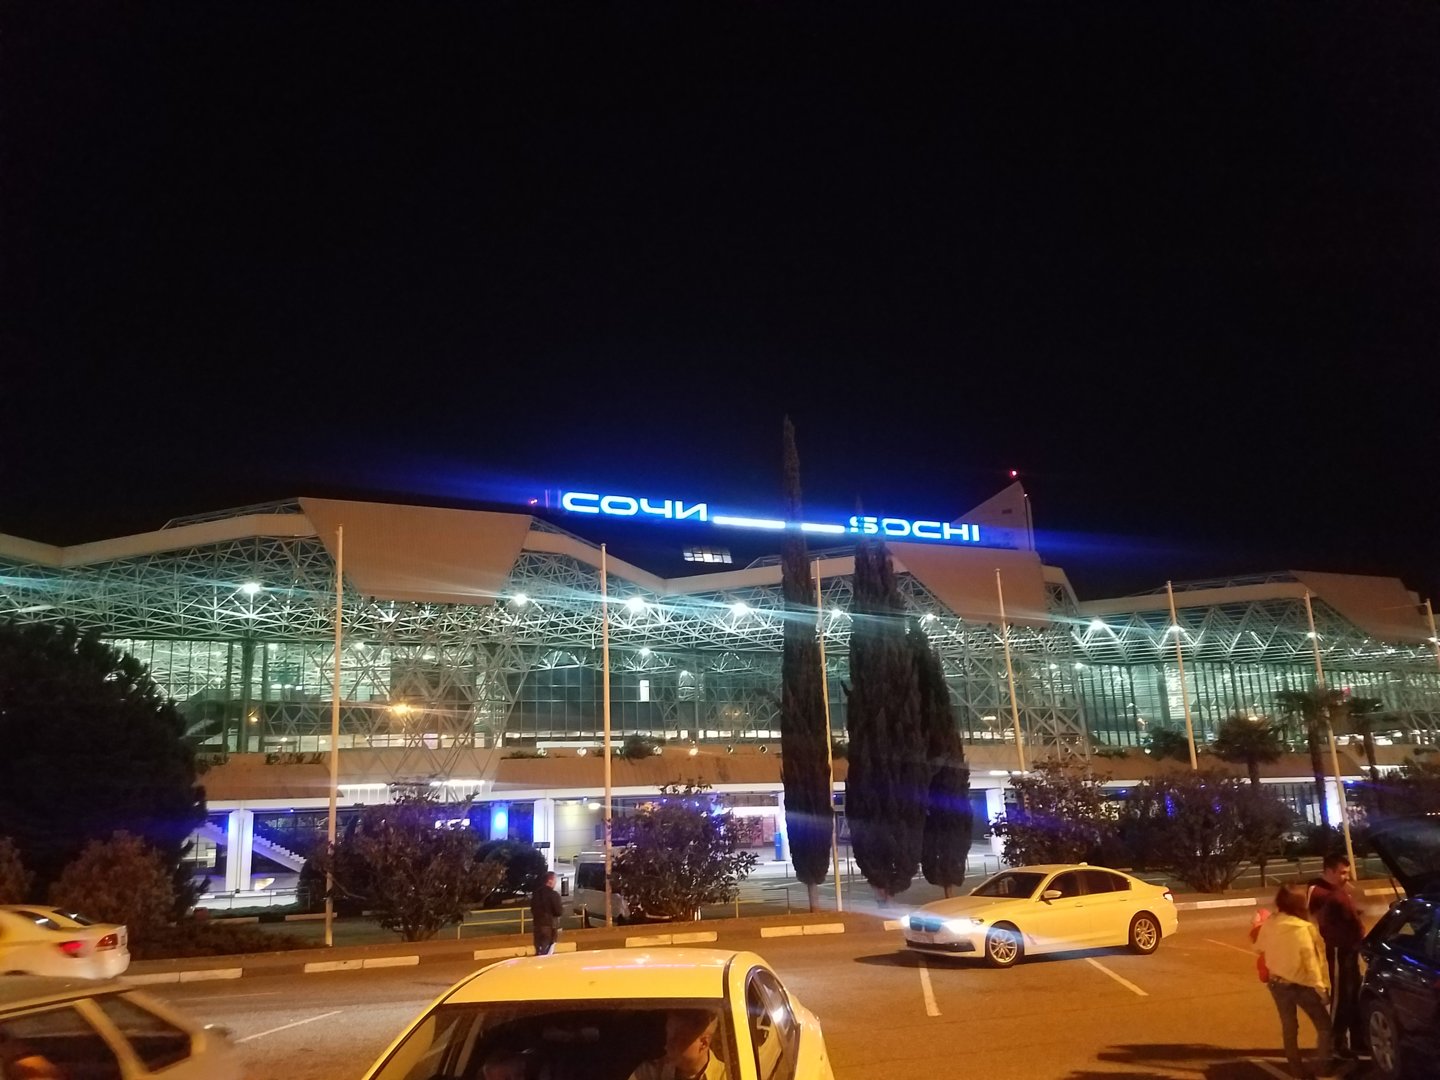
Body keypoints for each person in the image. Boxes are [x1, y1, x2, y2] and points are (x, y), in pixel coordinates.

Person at [1255, 883, 1334, 1079]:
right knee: (1324, 1027)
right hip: (1302, 986)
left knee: (1289, 1027)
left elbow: (1258, 947)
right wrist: (1322, 989)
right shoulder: (1303, 929)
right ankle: (1323, 1068)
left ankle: (1296, 1070)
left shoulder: (1271, 923)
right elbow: (1311, 963)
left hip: (1276, 983)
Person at [1307, 853, 1365, 1057]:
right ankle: (1334, 1043)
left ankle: (1358, 1039)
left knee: (1355, 994)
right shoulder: (1322, 892)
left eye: (1347, 873)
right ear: (1329, 871)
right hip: (1340, 949)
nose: (1346, 877)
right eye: (1342, 873)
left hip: (1351, 948)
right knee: (1341, 997)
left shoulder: (1335, 891)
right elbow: (1321, 914)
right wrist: (1347, 900)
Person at [626, 1009, 728, 1080]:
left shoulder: (730, 1076)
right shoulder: (649, 1073)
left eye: (676, 1040)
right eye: (668, 1036)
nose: (667, 1046)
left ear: (703, 1043)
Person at [530, 870, 564, 956]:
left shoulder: (536, 894)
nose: (555, 883)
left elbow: (533, 909)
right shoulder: (554, 894)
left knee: (539, 951)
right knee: (547, 952)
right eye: (555, 880)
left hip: (537, 925)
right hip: (549, 926)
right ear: (550, 881)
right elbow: (558, 911)